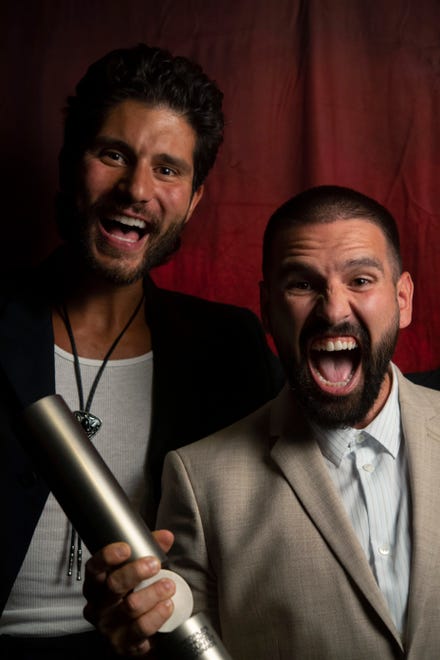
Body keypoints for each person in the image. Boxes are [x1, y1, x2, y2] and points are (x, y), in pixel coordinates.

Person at [0, 44, 283, 658]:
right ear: (69, 163)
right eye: (113, 155)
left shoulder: (228, 347)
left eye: (168, 169)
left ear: (195, 198)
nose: (136, 189)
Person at [85, 185, 440, 658]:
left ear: (403, 299)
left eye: (360, 281)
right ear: (267, 310)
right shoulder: (199, 482)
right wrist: (138, 632)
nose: (333, 310)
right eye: (302, 284)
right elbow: (175, 647)